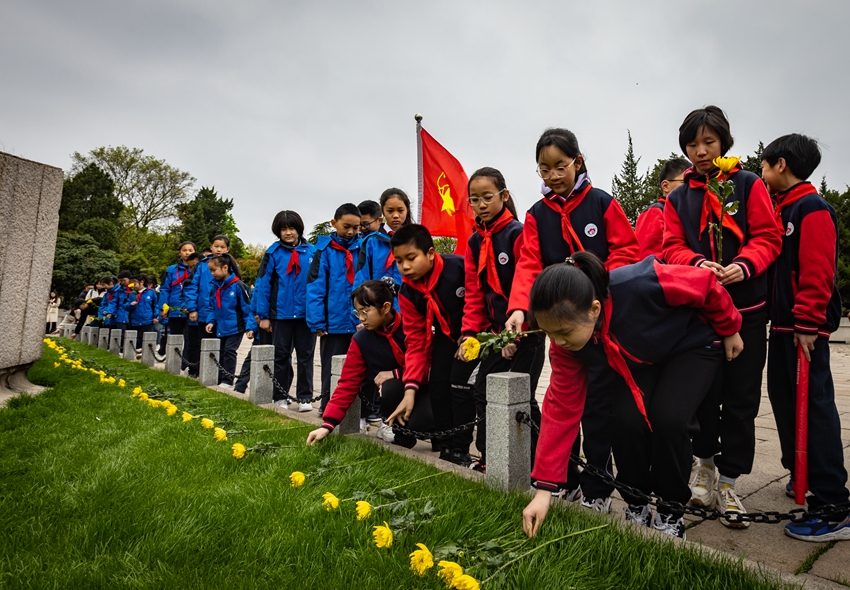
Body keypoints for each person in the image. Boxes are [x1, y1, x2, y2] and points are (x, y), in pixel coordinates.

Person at [521, 252, 743, 539]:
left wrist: (730, 328)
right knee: (626, 421)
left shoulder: (640, 282)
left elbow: (706, 285)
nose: (559, 342)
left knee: (669, 420)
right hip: (644, 358)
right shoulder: (565, 345)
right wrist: (544, 491)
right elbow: (560, 410)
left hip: (691, 344)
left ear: (594, 309)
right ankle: (635, 503)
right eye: (550, 334)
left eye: (564, 332)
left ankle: (669, 511)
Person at [505, 127, 641, 512]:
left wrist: (594, 289)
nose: (552, 176)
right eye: (543, 169)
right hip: (564, 327)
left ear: (577, 162)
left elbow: (627, 252)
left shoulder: (601, 203)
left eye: (559, 166)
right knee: (563, 402)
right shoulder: (536, 215)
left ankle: (598, 487)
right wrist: (519, 307)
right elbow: (529, 264)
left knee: (601, 406)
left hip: (602, 321)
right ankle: (562, 480)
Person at [663, 106, 782, 525]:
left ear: (724, 143)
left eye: (708, 143)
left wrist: (743, 265)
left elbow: (768, 237)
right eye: (692, 144)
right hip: (700, 314)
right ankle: (705, 467)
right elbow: (671, 246)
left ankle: (730, 481)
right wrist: (696, 263)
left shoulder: (747, 185)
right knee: (702, 397)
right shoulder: (679, 196)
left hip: (747, 311)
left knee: (742, 399)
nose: (700, 151)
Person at [760, 133, 850, 541]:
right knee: (784, 403)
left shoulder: (811, 208)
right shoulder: (782, 208)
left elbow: (817, 272)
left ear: (781, 165)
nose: (760, 174)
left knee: (815, 411)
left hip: (803, 331)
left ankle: (834, 505)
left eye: (763, 166)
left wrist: (808, 322)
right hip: (780, 328)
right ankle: (803, 477)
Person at [459, 167, 545, 473]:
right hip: (495, 334)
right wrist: (471, 335)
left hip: (527, 331)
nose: (481, 204)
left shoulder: (518, 233)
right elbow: (474, 293)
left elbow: (530, 283)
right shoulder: (473, 243)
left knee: (521, 397)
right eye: (474, 199)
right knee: (483, 392)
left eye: (487, 197)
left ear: (504, 196)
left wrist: (515, 338)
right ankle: (490, 458)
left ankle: (538, 464)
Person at [389, 224, 479, 465]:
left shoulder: (458, 268)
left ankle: (460, 449)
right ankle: (446, 444)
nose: (405, 267)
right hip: (445, 337)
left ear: (430, 253)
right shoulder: (407, 292)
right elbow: (416, 342)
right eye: (398, 261)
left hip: (477, 335)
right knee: (438, 385)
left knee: (460, 387)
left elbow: (478, 300)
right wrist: (410, 390)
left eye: (411, 258)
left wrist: (473, 334)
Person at [306, 279, 433, 448]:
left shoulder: (412, 327)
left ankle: (443, 441)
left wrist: (395, 373)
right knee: (389, 388)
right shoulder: (362, 339)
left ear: (386, 307)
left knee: (423, 423)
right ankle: (402, 436)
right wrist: (327, 425)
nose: (361, 318)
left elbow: (431, 366)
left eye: (365, 311)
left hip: (429, 387)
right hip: (399, 390)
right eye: (357, 312)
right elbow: (348, 383)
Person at [254, 211, 317, 410]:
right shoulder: (272, 253)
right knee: (281, 356)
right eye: (283, 229)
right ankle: (280, 395)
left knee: (306, 356)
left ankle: (305, 397)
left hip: (307, 315)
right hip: (281, 314)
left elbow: (319, 284)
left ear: (299, 228)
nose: (288, 233)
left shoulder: (313, 252)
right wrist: (263, 316)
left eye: (292, 228)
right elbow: (263, 285)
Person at [306, 203, 362, 416]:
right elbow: (315, 287)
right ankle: (328, 405)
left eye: (356, 228)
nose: (351, 232)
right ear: (334, 223)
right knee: (331, 367)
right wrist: (317, 322)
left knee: (358, 367)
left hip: (358, 320)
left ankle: (358, 410)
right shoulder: (324, 251)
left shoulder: (363, 247)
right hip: (333, 322)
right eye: (346, 226)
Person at [203, 253, 256, 389]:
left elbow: (247, 308)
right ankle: (220, 378)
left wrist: (250, 327)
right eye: (210, 271)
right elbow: (212, 307)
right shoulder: (215, 287)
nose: (212, 273)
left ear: (225, 268)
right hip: (220, 326)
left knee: (229, 351)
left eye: (214, 270)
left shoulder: (238, 286)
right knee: (220, 352)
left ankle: (227, 380)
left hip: (235, 326)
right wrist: (211, 321)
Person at [186, 236, 236, 377]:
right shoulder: (201, 266)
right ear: (211, 247)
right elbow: (191, 287)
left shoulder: (231, 265)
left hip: (223, 314)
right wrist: (192, 308)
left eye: (222, 247)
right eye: (216, 246)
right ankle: (201, 373)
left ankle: (222, 376)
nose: (219, 249)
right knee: (203, 344)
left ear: (227, 249)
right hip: (203, 312)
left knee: (224, 348)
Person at [634, 158, 690, 260]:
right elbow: (649, 260)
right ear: (665, 186)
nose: (690, 187)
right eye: (685, 182)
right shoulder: (655, 212)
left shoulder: (689, 213)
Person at [158, 241, 197, 367]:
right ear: (179, 252)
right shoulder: (171, 270)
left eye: (190, 250)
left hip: (191, 308)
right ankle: (173, 363)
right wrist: (163, 307)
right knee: (175, 336)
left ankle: (185, 364)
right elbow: (165, 289)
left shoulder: (198, 268)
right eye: (184, 250)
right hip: (175, 308)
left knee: (189, 338)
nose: (187, 253)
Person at [125, 275, 158, 346]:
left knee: (145, 340)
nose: (133, 286)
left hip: (147, 320)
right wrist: (130, 304)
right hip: (134, 321)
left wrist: (155, 316)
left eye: (135, 284)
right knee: (135, 341)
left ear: (141, 282)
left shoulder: (151, 293)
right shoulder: (131, 294)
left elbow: (155, 306)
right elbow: (125, 306)